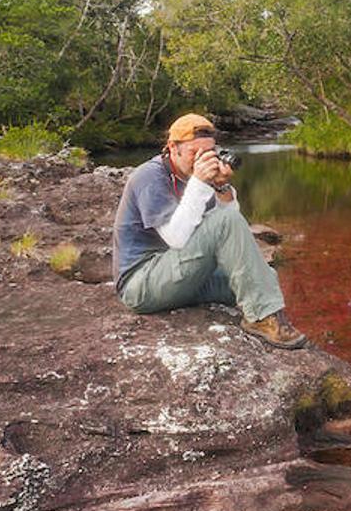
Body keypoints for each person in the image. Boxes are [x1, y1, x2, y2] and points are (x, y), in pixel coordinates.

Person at [112, 113, 308, 349]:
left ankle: (262, 311)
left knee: (263, 279)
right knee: (254, 282)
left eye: (208, 152)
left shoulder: (191, 177)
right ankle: (260, 318)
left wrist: (219, 185)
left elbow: (231, 222)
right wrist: (199, 182)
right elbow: (176, 237)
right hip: (142, 283)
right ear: (173, 148)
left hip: (179, 273)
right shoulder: (149, 177)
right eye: (196, 152)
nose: (202, 159)